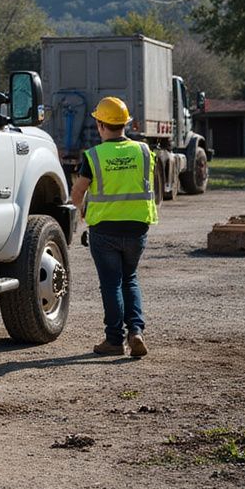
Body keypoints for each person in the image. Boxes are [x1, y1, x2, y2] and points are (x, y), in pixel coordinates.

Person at [68, 96, 157, 359]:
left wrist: (84, 211)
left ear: (100, 125)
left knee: (111, 284)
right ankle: (136, 332)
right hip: (136, 228)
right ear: (125, 124)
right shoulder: (143, 151)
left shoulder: (94, 156)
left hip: (105, 231)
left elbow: (77, 192)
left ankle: (114, 340)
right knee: (129, 279)